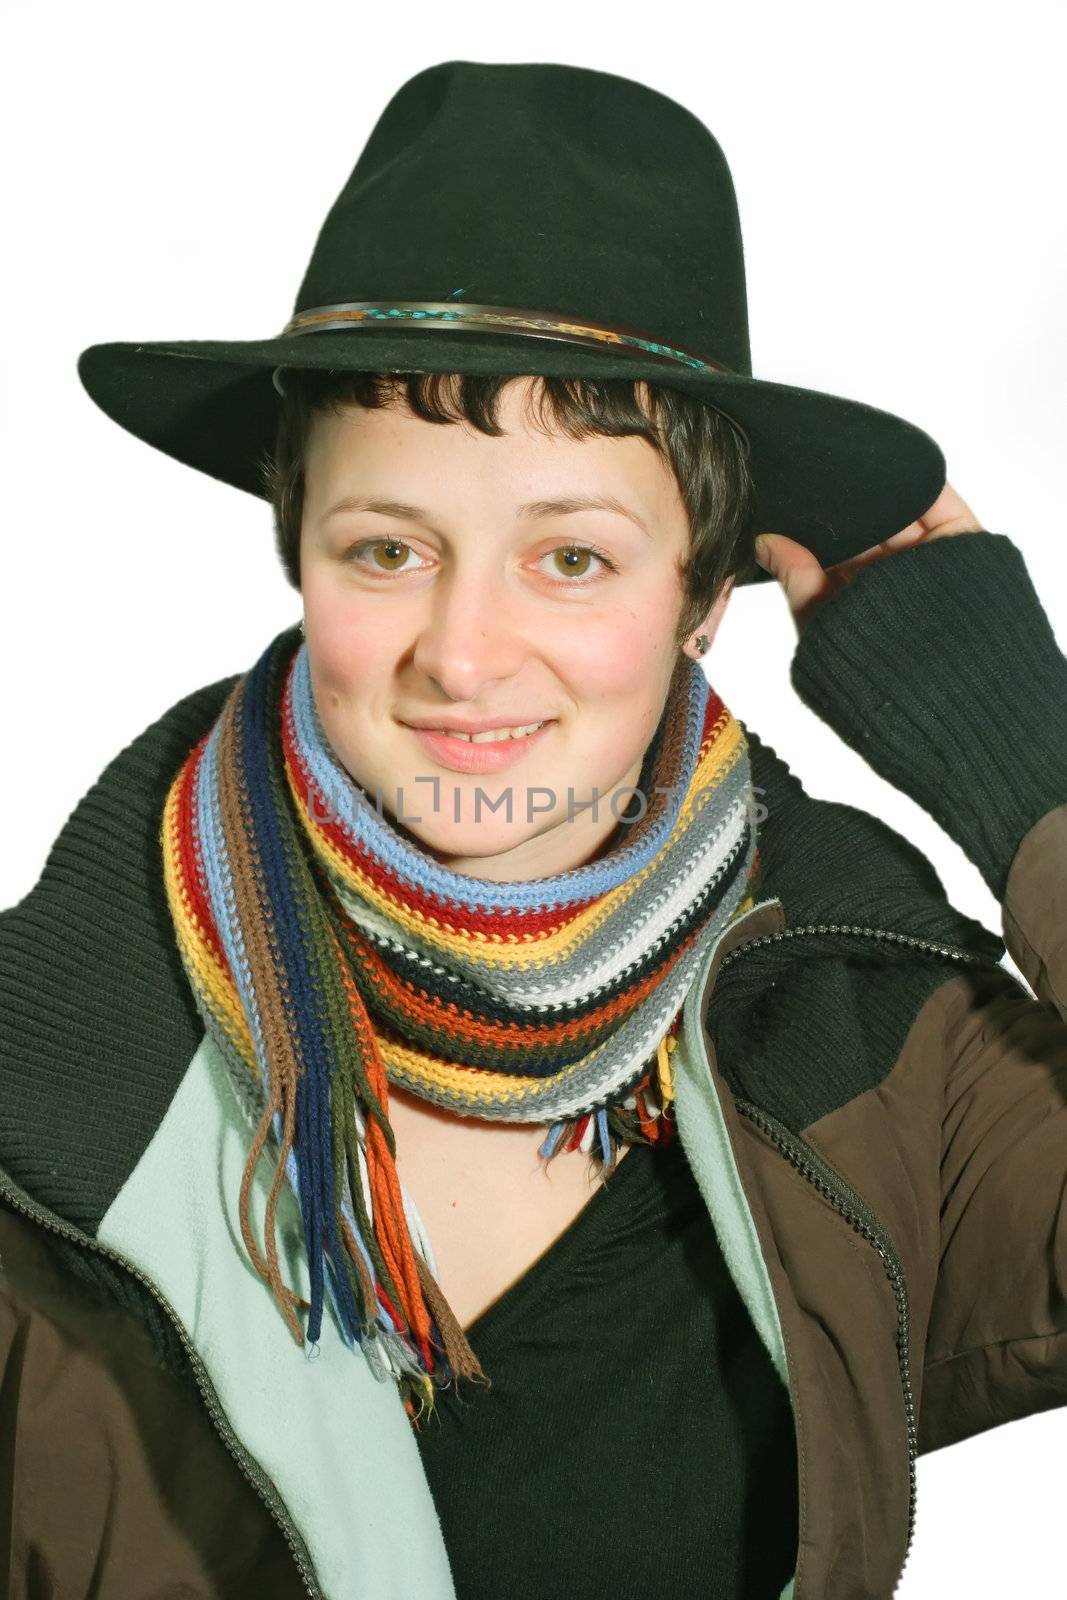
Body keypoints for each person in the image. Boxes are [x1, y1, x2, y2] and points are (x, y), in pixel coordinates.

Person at [2, 58, 1067, 1600]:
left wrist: (1016, 749)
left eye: (570, 559)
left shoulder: (866, 1035)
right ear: (298, 558)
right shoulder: (51, 1085)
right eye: (386, 549)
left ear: (702, 602)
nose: (465, 651)